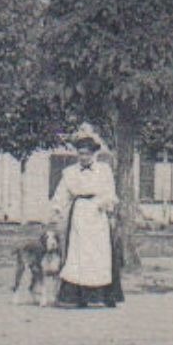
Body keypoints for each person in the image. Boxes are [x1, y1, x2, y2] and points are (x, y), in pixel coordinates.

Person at [51, 127, 121, 308]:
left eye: (87, 154)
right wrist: (57, 210)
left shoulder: (104, 170)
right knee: (78, 254)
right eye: (80, 154)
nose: (84, 157)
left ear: (94, 154)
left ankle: (99, 296)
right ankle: (75, 296)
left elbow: (110, 193)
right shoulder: (70, 172)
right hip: (80, 214)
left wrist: (105, 204)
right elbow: (61, 194)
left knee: (98, 254)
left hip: (97, 215)